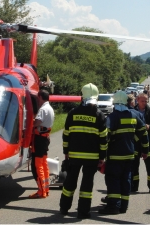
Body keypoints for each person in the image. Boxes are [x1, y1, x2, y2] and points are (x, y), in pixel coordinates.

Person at [59, 83, 107, 219]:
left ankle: (64, 208)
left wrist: (66, 152)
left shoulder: (72, 113)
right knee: (87, 185)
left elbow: (66, 135)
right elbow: (104, 139)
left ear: (82, 96)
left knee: (69, 182)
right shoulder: (99, 115)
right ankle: (83, 212)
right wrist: (102, 157)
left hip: (73, 155)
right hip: (92, 158)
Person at [98, 91, 148, 215]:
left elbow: (105, 137)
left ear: (114, 103)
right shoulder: (134, 115)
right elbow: (144, 133)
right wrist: (145, 150)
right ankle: (123, 206)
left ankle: (113, 206)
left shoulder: (112, 117)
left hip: (115, 156)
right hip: (130, 155)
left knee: (113, 179)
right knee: (126, 180)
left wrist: (102, 155)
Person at [29, 89, 55, 199]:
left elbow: (37, 122)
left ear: (40, 97)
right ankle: (45, 189)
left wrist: (31, 122)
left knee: (37, 165)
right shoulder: (50, 108)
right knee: (44, 164)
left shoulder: (43, 109)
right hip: (45, 139)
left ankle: (41, 191)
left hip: (39, 139)